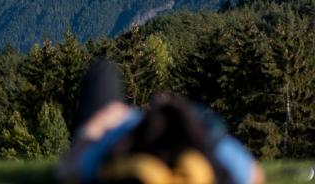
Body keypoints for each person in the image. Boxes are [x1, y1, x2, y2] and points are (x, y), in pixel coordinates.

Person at [58, 57, 265, 184]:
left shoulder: (112, 153)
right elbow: (255, 174)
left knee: (103, 70)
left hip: (122, 126)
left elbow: (68, 170)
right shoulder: (203, 149)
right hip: (148, 126)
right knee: (105, 72)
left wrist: (91, 131)